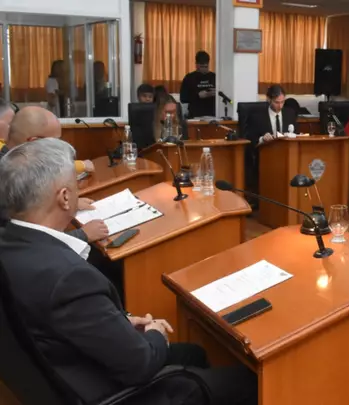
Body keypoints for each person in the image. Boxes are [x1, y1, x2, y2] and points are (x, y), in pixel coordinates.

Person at [0, 138, 258, 405]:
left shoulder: (9, 244)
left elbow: (68, 317)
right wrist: (156, 331)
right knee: (249, 383)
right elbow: (140, 364)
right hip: (108, 393)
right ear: (65, 197)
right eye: (76, 185)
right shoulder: (67, 278)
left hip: (59, 370)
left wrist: (121, 320)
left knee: (192, 354)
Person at [0, 107, 107, 243]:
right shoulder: (8, 178)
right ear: (34, 142)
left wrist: (70, 203)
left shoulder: (15, 165)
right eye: (56, 143)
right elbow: (23, 243)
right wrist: (82, 235)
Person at [245, 85, 298, 195]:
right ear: (269, 99)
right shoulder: (257, 116)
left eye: (282, 102)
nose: (280, 106)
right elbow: (249, 140)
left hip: (287, 159)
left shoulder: (290, 113)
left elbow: (296, 134)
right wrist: (262, 139)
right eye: (277, 102)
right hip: (266, 161)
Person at [180, 51, 216, 118]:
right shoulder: (189, 78)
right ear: (196, 64)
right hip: (195, 115)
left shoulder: (214, 77)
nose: (204, 69)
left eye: (206, 66)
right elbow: (183, 98)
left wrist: (216, 93)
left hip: (213, 115)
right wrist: (198, 95)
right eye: (202, 67)